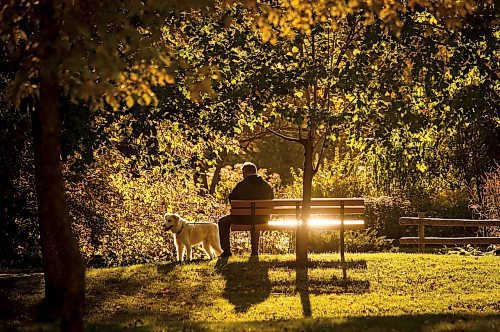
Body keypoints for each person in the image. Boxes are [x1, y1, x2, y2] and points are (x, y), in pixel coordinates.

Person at [218, 162, 274, 257]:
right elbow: (271, 202)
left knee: (222, 222)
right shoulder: (266, 186)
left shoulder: (241, 185)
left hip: (243, 218)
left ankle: (227, 252)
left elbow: (232, 200)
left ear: (244, 173)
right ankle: (254, 252)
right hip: (262, 218)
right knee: (256, 219)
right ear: (255, 172)